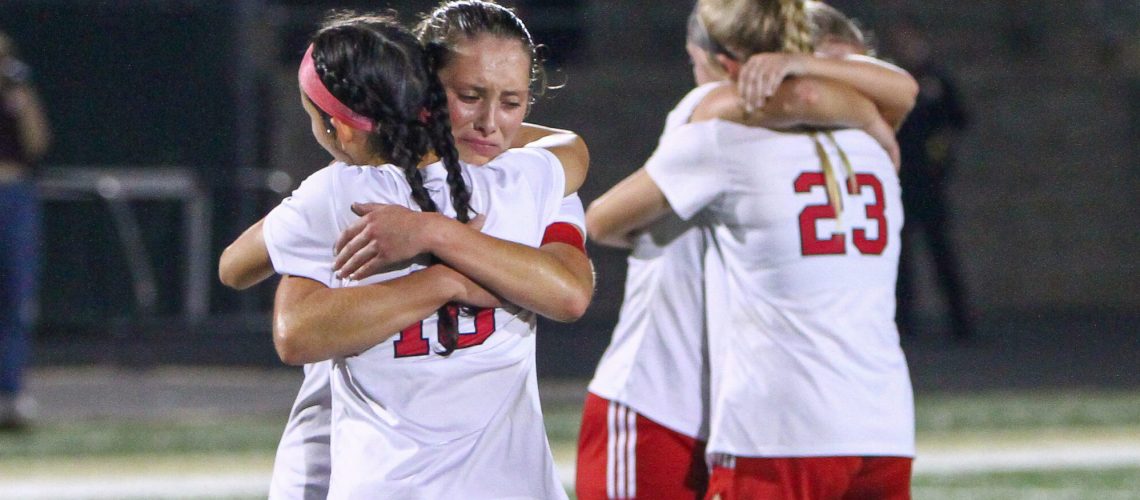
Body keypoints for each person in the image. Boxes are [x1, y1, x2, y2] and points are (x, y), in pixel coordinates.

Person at [217, 3, 591, 497]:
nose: (490, 124)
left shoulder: (337, 195)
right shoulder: (526, 182)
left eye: (512, 102)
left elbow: (241, 275)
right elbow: (573, 151)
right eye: (469, 96)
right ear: (426, 92)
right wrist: (450, 279)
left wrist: (433, 233)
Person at [577, 2, 916, 498]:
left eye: (859, 73)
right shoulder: (717, 117)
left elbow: (889, 90)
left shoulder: (838, 137)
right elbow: (598, 222)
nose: (853, 85)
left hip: (761, 411)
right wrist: (865, 110)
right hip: (662, 397)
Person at [886, 17, 975, 341]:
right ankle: (902, 323)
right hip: (900, 180)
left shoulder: (937, 80)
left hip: (931, 181)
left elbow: (960, 119)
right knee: (900, 257)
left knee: (941, 251)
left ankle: (961, 322)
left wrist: (943, 151)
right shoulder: (891, 79)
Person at [0, 31, 51, 431]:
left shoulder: (16, 94)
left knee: (16, 297)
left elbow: (37, 143)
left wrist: (21, 94)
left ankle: (10, 392)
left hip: (15, 194)